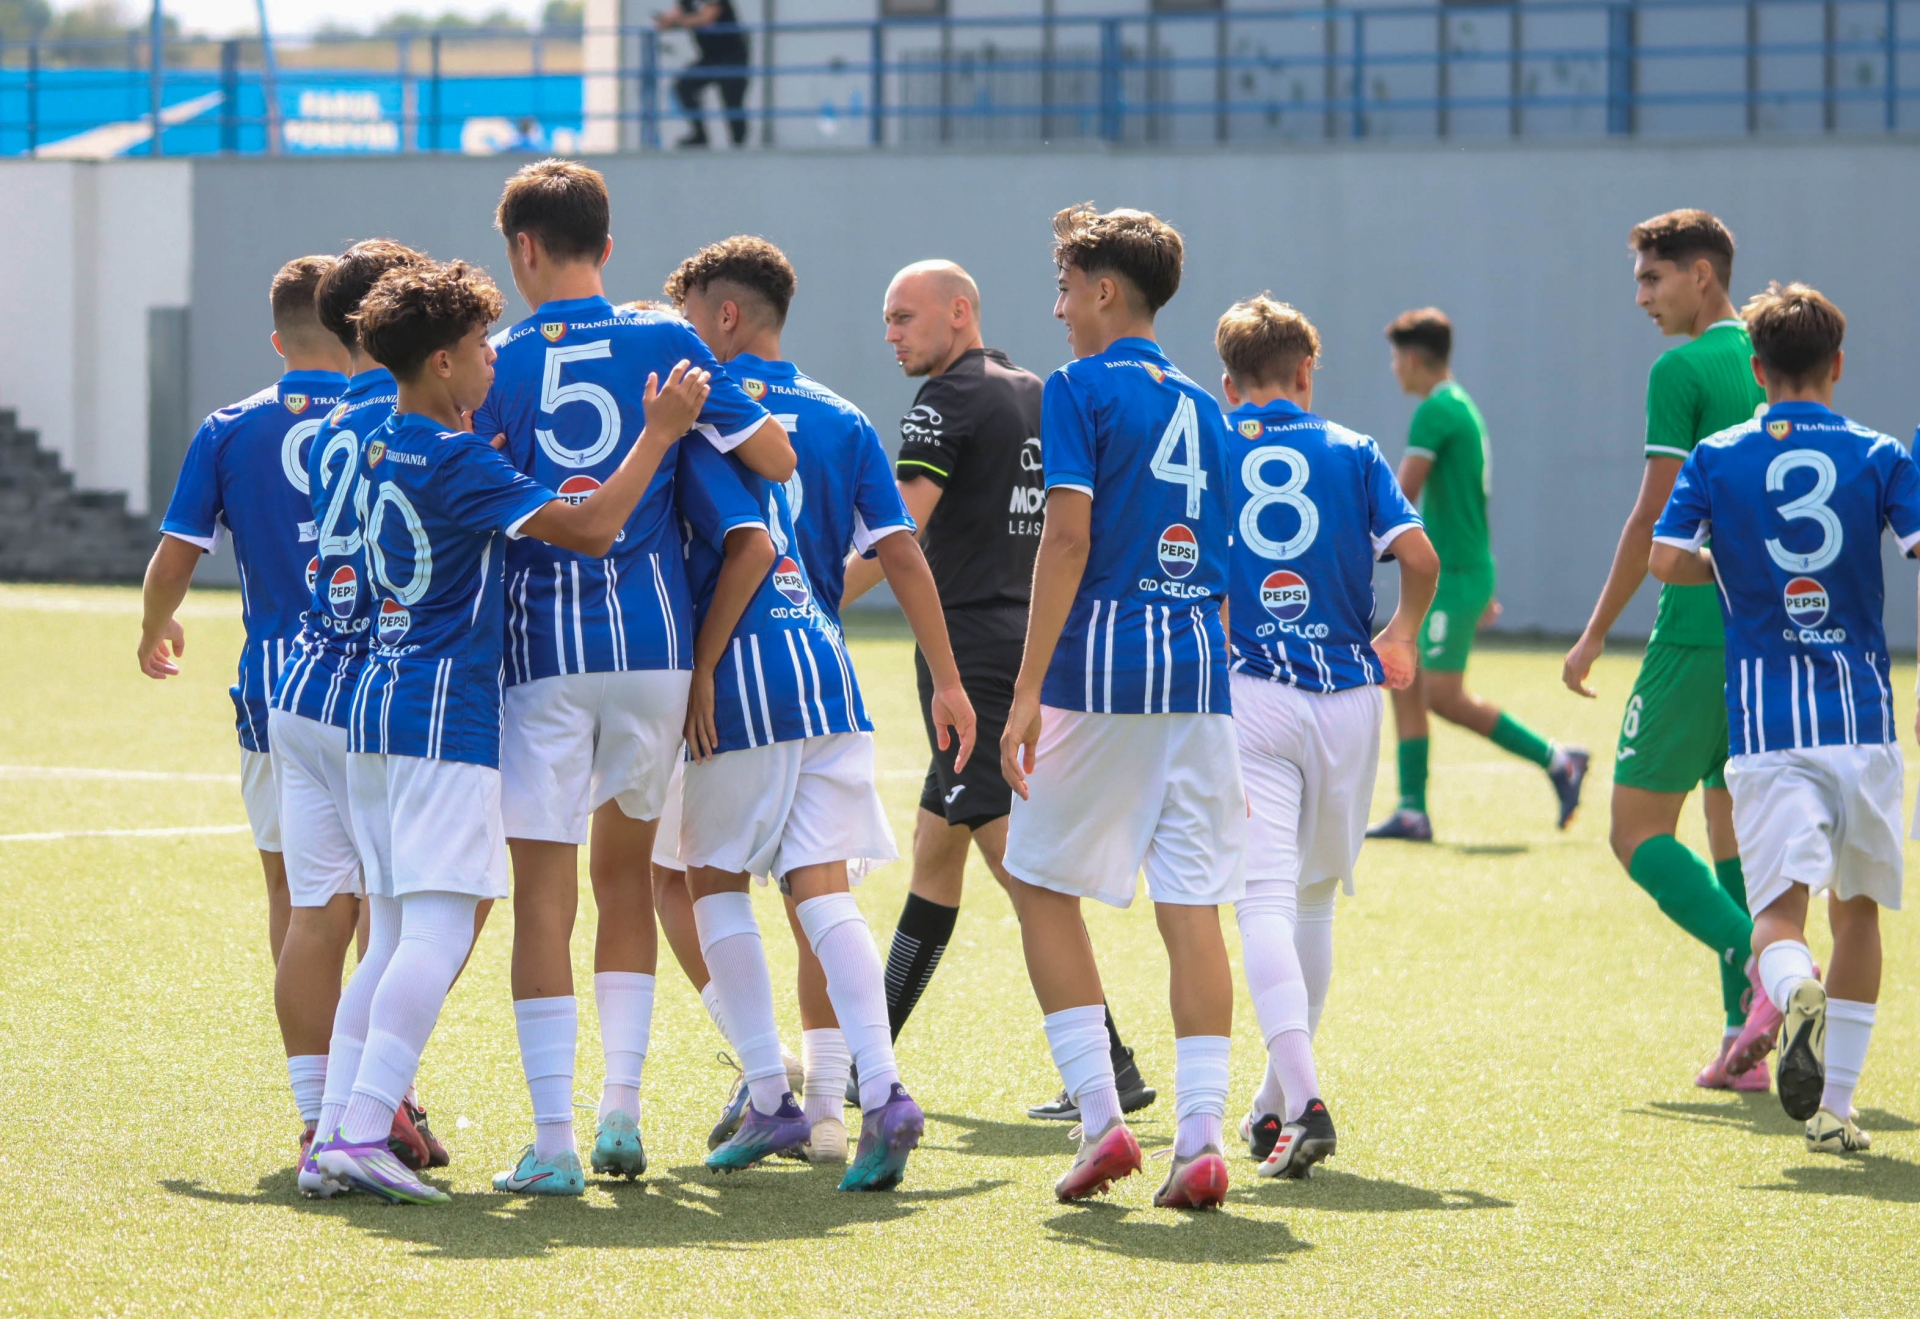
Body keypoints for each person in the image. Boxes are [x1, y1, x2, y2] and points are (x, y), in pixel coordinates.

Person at [310, 258, 713, 1204]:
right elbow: (594, 525)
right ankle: (365, 1126)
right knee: (439, 925)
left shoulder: (380, 439)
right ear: (443, 362)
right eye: (481, 347)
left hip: (373, 703)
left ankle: (329, 1132)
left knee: (391, 934)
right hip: (442, 711)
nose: (495, 359)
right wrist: (657, 434)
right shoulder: (459, 460)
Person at [471, 160, 790, 1197]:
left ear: (521, 248)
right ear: (606, 247)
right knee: (627, 881)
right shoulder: (666, 339)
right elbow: (776, 458)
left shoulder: (497, 358)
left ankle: (553, 1139)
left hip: (543, 656)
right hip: (654, 650)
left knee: (543, 892)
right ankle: (622, 1110)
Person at [652, 236, 974, 1164]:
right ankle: (871, 1092)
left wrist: (699, 665)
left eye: (688, 320)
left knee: (703, 880)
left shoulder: (692, 412)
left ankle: (769, 1091)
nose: (679, 337)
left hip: (735, 675)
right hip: (828, 674)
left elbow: (739, 545)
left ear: (723, 317)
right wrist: (948, 680)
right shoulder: (842, 416)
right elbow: (902, 551)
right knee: (823, 894)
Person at [840, 258, 1159, 1123]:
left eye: (904, 317)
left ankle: (1108, 1062)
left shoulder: (946, 399)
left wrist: (813, 599)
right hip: (1024, 646)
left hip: (970, 654)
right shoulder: (1034, 391)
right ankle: (869, 1060)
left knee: (1016, 861)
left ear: (959, 311)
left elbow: (898, 531)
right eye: (887, 318)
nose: (891, 333)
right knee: (940, 849)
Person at [1001, 203, 1242, 1211]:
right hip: (1202, 679)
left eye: (1066, 290)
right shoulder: (1207, 406)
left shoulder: (1077, 387)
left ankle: (1102, 1117)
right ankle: (1202, 1136)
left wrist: (1024, 691)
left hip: (1104, 673)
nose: (1059, 310)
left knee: (1035, 880)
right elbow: (1222, 565)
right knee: (1193, 908)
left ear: (1105, 291)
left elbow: (1066, 538)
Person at [1650, 282, 1917, 1156]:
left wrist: (1736, 570)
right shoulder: (1881, 453)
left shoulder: (1717, 456)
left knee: (1776, 916)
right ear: (1837, 364)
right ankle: (1836, 1108)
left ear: (1757, 369)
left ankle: (1793, 985)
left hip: (1770, 730)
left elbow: (1666, 559)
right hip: (1864, 723)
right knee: (1860, 912)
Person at [1215, 295, 1439, 1179]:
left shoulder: (1214, 446)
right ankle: (1273, 1104)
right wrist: (1402, 635)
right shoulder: (1354, 448)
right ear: (1306, 372)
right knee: (1311, 903)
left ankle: (1305, 1101)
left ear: (1228, 384)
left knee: (1262, 902)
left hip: (1253, 694)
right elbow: (1419, 558)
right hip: (1348, 694)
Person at [138, 255, 350, 1153]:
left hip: (274, 689)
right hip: (377, 686)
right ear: (355, 331)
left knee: (293, 892)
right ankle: (385, 1090)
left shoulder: (230, 427)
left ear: (277, 340)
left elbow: (175, 558)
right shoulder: (390, 412)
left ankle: (316, 1106)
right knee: (382, 899)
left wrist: (155, 624)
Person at [265, 240, 461, 1189]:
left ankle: (323, 1121)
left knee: (322, 915)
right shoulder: (413, 418)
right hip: (374, 691)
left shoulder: (329, 423)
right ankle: (369, 1107)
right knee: (425, 913)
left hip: (299, 680)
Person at [1563, 210, 1769, 1089]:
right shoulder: (1771, 354)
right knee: (1730, 828)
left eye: (1653, 278)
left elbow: (1654, 512)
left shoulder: (1679, 369)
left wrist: (1594, 630)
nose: (1643, 298)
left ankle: (1773, 968)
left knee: (1635, 830)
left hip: (1694, 628)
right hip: (1767, 635)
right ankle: (1741, 1036)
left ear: (1701, 275)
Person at [1367, 308, 1587, 841]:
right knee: (1401, 676)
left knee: (1442, 694)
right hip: (1459, 571)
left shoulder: (1436, 411)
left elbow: (1399, 497)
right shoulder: (1459, 406)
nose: (1393, 368)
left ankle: (1559, 761)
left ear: (1413, 359)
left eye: (1396, 358)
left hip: (1454, 575)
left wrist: (1353, 544)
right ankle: (1412, 811)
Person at [657, 1, 750, 149]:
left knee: (731, 100)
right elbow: (672, 18)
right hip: (710, 57)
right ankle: (699, 135)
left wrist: (678, 22)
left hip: (733, 57)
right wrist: (665, 21)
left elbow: (707, 18)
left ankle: (738, 144)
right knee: (684, 87)